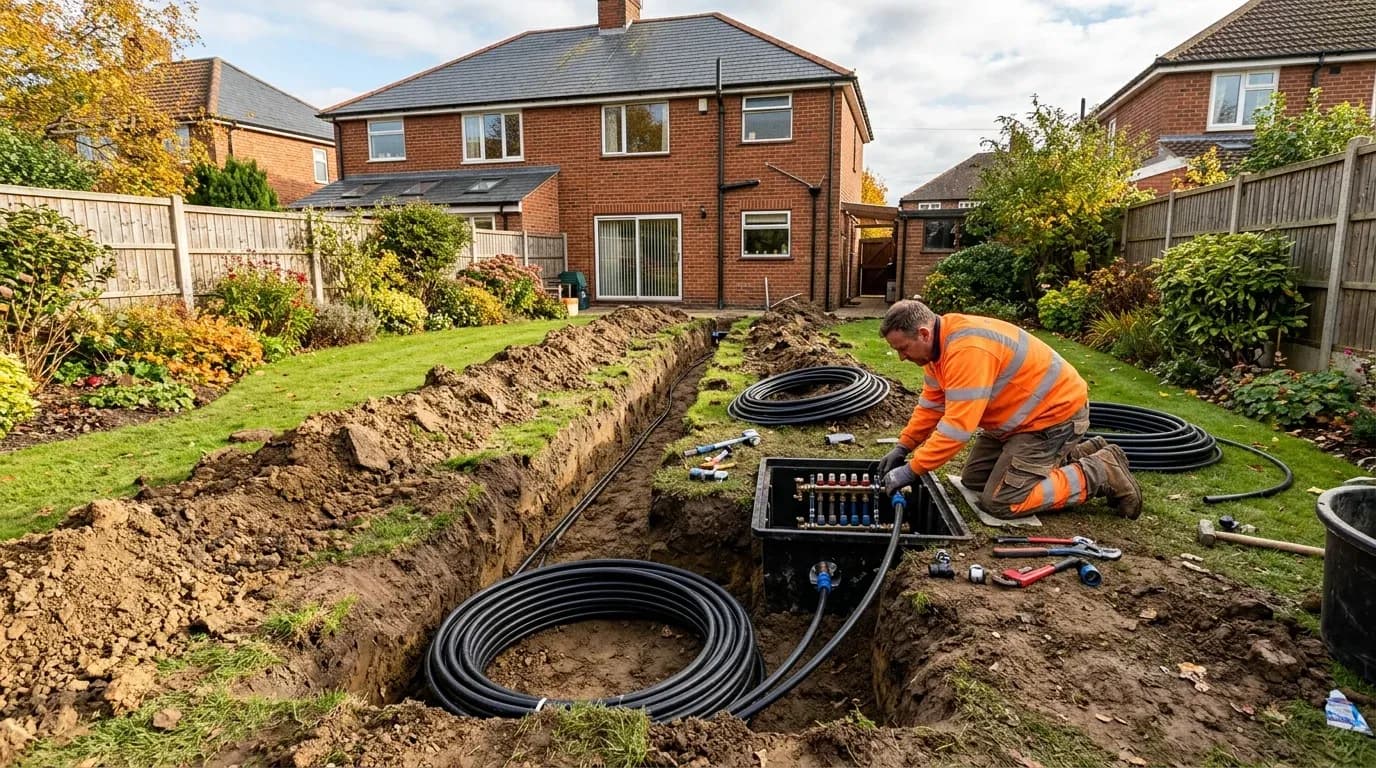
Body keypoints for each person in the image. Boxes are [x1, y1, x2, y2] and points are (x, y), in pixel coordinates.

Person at [876, 300, 1142, 519]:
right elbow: (932, 406)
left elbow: (957, 429)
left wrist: (913, 469)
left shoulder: (966, 350)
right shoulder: (937, 352)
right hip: (1016, 423)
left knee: (1002, 501)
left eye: (903, 348)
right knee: (974, 481)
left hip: (1051, 420)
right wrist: (903, 446)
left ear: (923, 333)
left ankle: (1101, 470)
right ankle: (1079, 453)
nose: (901, 357)